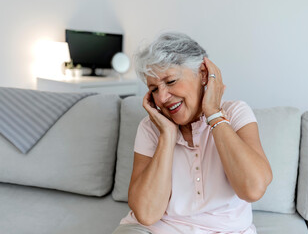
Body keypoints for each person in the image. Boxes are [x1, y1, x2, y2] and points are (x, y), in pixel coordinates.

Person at [112, 32, 273, 234]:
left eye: (170, 82)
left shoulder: (236, 113)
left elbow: (253, 189)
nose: (162, 97)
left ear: (203, 75)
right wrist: (167, 136)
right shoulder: (150, 127)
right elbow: (146, 214)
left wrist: (214, 115)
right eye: (154, 89)